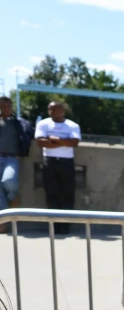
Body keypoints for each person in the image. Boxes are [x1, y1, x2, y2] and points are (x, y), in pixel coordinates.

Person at [34, 101, 80, 234]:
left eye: (56, 109)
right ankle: (54, 224)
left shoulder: (72, 125)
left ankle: (66, 225)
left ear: (62, 111)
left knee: (68, 194)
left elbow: (75, 142)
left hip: (67, 162)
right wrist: (63, 142)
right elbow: (41, 142)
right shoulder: (43, 124)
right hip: (50, 161)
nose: (53, 112)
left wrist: (56, 140)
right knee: (51, 194)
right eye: (50, 110)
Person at [0, 96, 34, 232]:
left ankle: (13, 198)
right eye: (2, 106)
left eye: (7, 106)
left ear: (12, 107)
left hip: (12, 158)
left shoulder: (19, 123)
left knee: (9, 181)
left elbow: (31, 133)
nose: (5, 108)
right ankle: (3, 223)